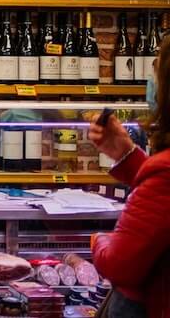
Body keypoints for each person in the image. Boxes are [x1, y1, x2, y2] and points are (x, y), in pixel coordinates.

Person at [87, 36, 170, 318]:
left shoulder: (165, 172)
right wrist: (126, 154)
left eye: (156, 68)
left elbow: (120, 264)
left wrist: (99, 240)